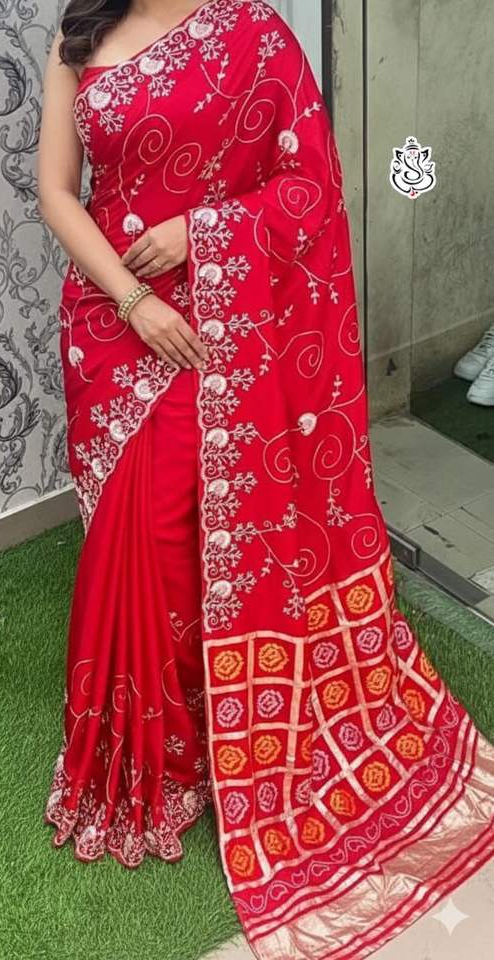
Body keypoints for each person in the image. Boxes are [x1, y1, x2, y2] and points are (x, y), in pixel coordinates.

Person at [37, 2, 494, 958]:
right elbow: (57, 193)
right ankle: (167, 757)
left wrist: (200, 233)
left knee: (194, 535)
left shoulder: (252, 32)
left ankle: (232, 734)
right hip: (113, 323)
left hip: (224, 327)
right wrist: (133, 298)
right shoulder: (77, 35)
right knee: (139, 537)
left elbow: (310, 186)